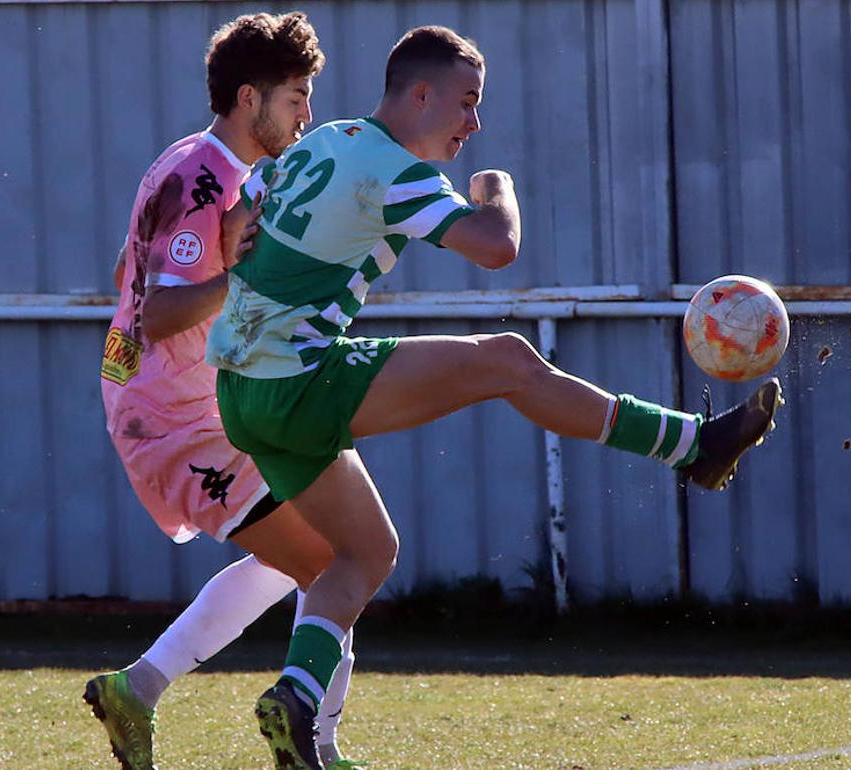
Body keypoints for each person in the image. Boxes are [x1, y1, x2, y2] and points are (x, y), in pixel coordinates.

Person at [210, 25, 783, 770]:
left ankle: (295, 697)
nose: (473, 123)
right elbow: (495, 247)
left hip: (239, 393)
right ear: (419, 94)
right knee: (509, 360)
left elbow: (234, 217)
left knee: (364, 554)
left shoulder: (324, 143)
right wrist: (497, 189)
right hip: (296, 379)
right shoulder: (391, 166)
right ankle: (693, 446)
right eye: (466, 102)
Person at [87, 13, 361, 770]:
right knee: (340, 559)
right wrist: (245, 273)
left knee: (306, 559)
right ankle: (319, 748)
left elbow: (124, 272)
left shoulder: (193, 164)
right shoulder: (206, 180)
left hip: (180, 406)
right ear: (250, 98)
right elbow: (161, 307)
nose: (306, 115)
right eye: (297, 98)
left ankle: (136, 690)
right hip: (173, 421)